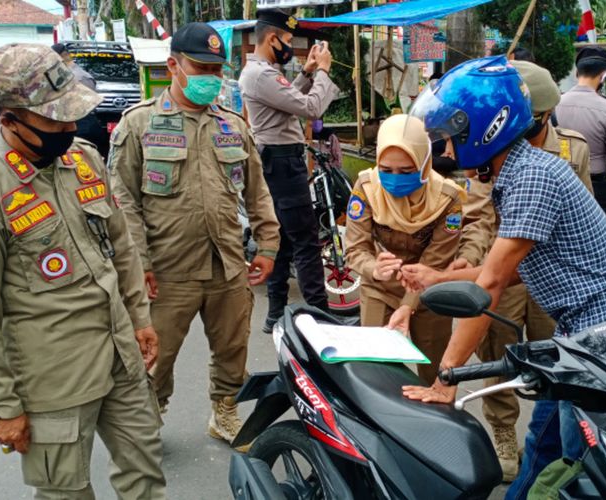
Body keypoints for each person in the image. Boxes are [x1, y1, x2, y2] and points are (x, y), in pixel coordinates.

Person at [398, 56, 606, 500]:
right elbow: (511, 266)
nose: (445, 151)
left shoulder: (531, 178)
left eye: (449, 138)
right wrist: (440, 275)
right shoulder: (518, 171)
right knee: (543, 442)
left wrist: (446, 379)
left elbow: (491, 285)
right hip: (581, 337)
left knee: (580, 473)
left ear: (484, 130)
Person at [0, 43, 166, 498]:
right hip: (52, 378)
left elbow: (120, 246)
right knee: (65, 492)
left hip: (120, 352)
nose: (71, 125)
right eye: (54, 118)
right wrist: (1, 405)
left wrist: (139, 319)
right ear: (9, 119)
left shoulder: (82, 159)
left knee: (146, 472)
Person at [109, 22, 280, 442]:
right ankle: (148, 422)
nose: (210, 79)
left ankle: (224, 412)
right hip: (167, 271)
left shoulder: (233, 126)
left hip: (226, 264)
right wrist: (138, 264)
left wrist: (269, 245)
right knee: (154, 356)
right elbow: (123, 203)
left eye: (216, 71)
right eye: (200, 68)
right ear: (173, 66)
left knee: (232, 349)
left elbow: (258, 192)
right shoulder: (140, 124)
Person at [445, 59, 594, 482]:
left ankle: (546, 448)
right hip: (503, 269)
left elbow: (580, 219)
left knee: (554, 366)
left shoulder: (571, 149)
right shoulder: (487, 148)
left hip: (552, 285)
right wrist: (472, 263)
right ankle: (503, 431)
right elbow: (478, 218)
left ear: (544, 116)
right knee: (500, 357)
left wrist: (446, 374)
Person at [239, 9, 339, 333]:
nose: (288, 46)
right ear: (271, 38)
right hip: (283, 164)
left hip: (275, 162)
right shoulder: (262, 74)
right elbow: (310, 108)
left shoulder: (260, 72)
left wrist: (307, 73)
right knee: (306, 242)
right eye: (285, 40)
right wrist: (323, 71)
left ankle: (275, 313)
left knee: (280, 239)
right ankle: (320, 315)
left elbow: (286, 100)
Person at [344, 114, 463, 384]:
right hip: (380, 286)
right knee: (377, 372)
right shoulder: (366, 187)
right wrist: (373, 268)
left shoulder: (448, 198)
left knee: (437, 375)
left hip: (430, 291)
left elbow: (436, 261)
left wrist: (408, 306)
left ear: (424, 163)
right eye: (385, 169)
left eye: (407, 172)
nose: (394, 179)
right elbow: (355, 248)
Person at [557, 45, 606, 223]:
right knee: (598, 246)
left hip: (559, 182)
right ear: (604, 76)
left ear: (577, 73)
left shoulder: (555, 103)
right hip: (596, 188)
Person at [51, 43, 109, 159]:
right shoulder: (64, 75)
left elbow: (85, 106)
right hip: (72, 125)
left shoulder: (81, 77)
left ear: (62, 57)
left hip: (83, 126)